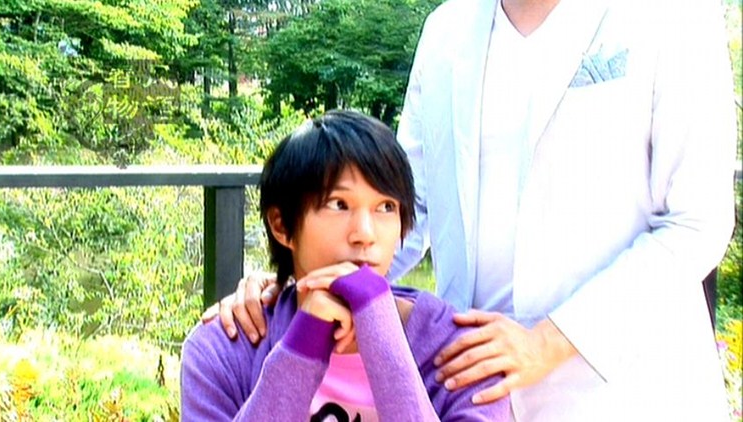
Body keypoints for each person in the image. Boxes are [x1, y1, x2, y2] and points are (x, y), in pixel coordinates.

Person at [207, 0, 738, 420]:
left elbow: (696, 222)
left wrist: (547, 342)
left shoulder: (675, 15)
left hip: (624, 390)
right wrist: (297, 284)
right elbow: (404, 204)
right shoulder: (447, 29)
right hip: (466, 386)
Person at [181, 110, 511, 421]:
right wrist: (303, 345)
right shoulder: (223, 347)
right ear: (281, 226)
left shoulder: (464, 355)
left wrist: (379, 326)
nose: (365, 234)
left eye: (386, 207)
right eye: (339, 204)